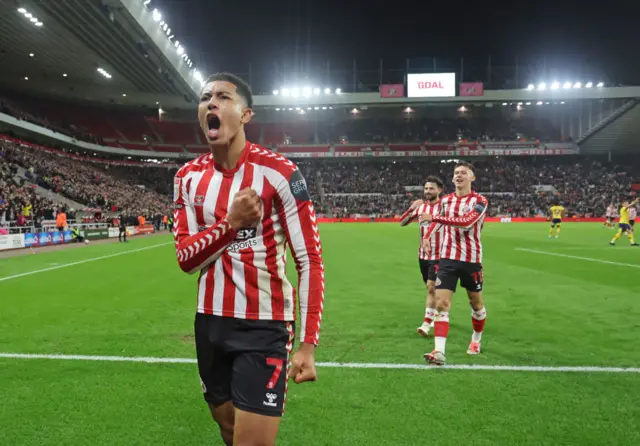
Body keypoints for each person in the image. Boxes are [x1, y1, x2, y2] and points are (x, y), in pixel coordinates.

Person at [172, 72, 325, 446]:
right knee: (227, 428)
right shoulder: (187, 178)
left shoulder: (281, 174)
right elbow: (186, 258)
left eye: (223, 97)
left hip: (264, 326)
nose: (212, 103)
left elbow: (309, 260)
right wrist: (231, 224)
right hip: (209, 324)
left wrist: (307, 343)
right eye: (205, 97)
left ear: (245, 115)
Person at [419, 162, 488, 366]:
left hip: (471, 259)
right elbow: (437, 222)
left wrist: (434, 217)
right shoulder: (446, 201)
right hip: (447, 257)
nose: (459, 175)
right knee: (442, 303)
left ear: (472, 178)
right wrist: (428, 236)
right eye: (456, 173)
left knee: (475, 303)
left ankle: (476, 338)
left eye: (463, 173)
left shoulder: (480, 201)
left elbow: (467, 222)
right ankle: (439, 351)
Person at [399, 176, 444, 336]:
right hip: (423, 256)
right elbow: (402, 222)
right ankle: (441, 311)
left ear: (440, 190)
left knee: (431, 287)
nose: (428, 191)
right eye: (426, 188)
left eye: (431, 188)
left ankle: (426, 323)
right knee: (433, 289)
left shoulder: (445, 207)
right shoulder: (420, 208)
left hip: (440, 255)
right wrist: (411, 208)